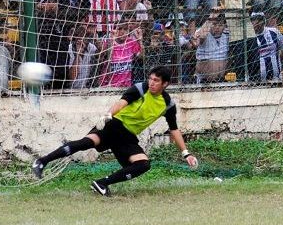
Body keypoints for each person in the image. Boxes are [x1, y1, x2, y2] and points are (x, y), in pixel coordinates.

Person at [32, 66, 198, 196]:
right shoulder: (140, 89)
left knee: (143, 164)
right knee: (87, 143)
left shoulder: (168, 104)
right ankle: (42, 161)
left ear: (165, 84)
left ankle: (102, 183)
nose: (151, 83)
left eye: (156, 80)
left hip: (127, 136)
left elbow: (174, 130)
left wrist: (186, 154)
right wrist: (108, 115)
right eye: (150, 78)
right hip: (115, 124)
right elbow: (122, 102)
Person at [218, 0, 258, 81]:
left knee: (254, 65)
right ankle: (241, 85)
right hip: (236, 38)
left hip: (250, 35)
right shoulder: (226, 0)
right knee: (240, 67)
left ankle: (256, 84)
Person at [250, 11, 283, 81]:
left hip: (276, 78)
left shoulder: (274, 32)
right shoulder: (249, 38)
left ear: (264, 21)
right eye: (254, 20)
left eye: (259, 20)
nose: (256, 23)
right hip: (255, 80)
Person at [191, 12, 229, 83]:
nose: (217, 27)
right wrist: (212, 16)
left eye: (220, 25)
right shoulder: (203, 31)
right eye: (214, 24)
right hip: (204, 81)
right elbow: (201, 36)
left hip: (222, 79)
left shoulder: (226, 34)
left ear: (224, 26)